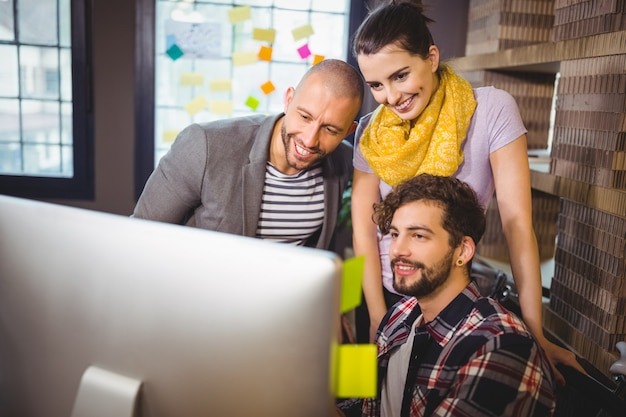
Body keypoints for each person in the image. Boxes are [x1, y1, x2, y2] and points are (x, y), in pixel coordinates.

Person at [349, 0, 583, 384]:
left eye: (400, 75)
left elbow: (517, 222)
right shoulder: (370, 131)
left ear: (432, 56)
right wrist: (377, 317)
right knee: (355, 396)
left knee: (426, 402)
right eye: (376, 84)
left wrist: (534, 328)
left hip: (448, 303)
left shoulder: (491, 108)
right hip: (377, 297)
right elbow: (363, 228)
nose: (390, 97)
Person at [363, 173, 556, 416]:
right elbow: (366, 405)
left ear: (463, 251)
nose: (398, 250)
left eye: (419, 235)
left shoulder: (500, 344)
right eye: (394, 234)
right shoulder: (399, 315)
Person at [133, 59, 364, 251]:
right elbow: (140, 235)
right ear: (289, 99)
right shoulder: (204, 145)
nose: (310, 139)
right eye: (305, 117)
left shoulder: (344, 161)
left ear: (348, 131)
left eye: (330, 130)